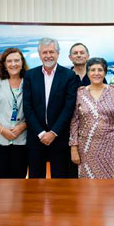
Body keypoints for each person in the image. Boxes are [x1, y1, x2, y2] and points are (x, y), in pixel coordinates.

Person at [23, 37, 80, 178]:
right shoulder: (30, 75)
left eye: (51, 52)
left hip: (59, 138)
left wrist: (53, 132)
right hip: (36, 138)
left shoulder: (69, 76)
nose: (48, 55)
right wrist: (41, 133)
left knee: (60, 180)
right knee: (35, 180)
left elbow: (69, 108)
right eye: (44, 52)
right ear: (40, 54)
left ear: (58, 53)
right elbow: (27, 106)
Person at [69, 58, 114, 179]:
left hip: (112, 147)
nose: (96, 73)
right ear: (87, 73)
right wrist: (74, 147)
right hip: (86, 147)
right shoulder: (79, 93)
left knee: (112, 186)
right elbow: (74, 122)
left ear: (105, 72)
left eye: (100, 70)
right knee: (87, 187)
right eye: (92, 70)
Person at [0, 48, 28, 178]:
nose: (13, 64)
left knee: (18, 183)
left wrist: (23, 126)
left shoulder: (29, 82)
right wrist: (2, 130)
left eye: (16, 60)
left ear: (22, 62)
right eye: (9, 61)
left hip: (21, 141)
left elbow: (35, 110)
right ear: (4, 64)